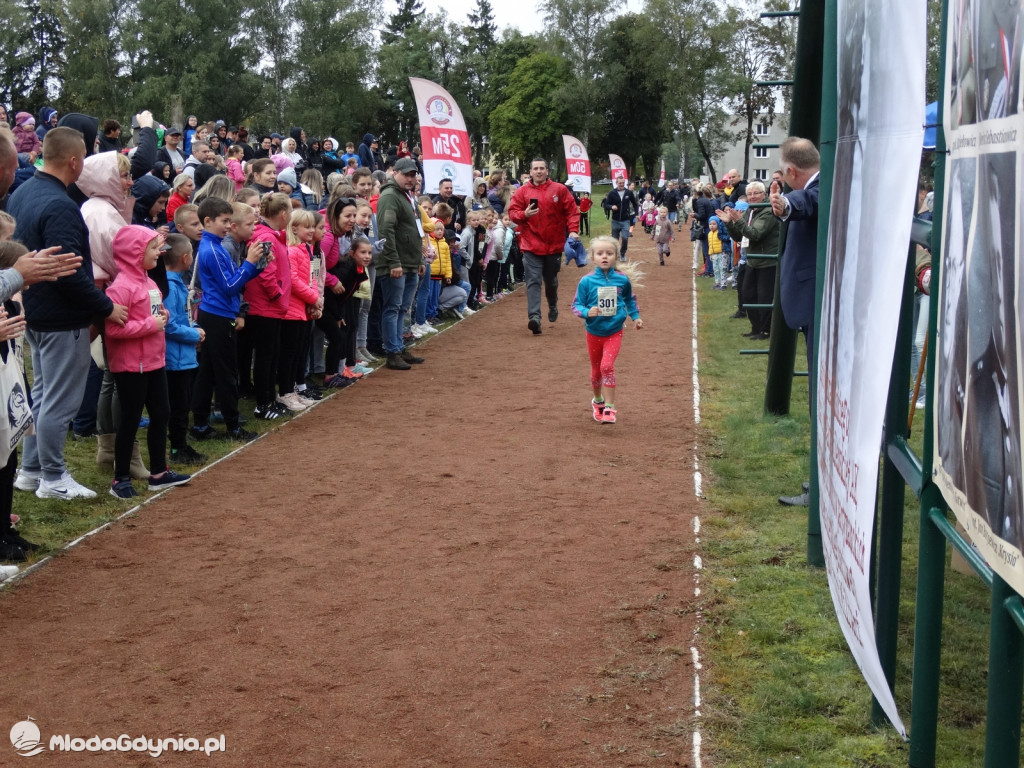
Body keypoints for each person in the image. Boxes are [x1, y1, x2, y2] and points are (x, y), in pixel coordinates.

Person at [8, 127, 129, 500]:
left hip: (35, 310)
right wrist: (107, 308)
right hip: (61, 316)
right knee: (59, 402)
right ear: (74, 161)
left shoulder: (23, 192)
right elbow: (70, 273)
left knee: (44, 396)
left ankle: (30, 471)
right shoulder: (60, 204)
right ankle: (53, 477)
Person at [103, 226, 192, 498]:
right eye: (153, 248)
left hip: (155, 361)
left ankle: (159, 472)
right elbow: (113, 331)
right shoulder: (120, 288)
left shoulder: (150, 282)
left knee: (161, 413)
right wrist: (149, 324)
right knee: (129, 420)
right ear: (134, 253)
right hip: (131, 366)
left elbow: (155, 313)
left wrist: (161, 315)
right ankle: (120, 479)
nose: (159, 253)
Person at [770, 137, 820, 507]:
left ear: (791, 171)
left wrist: (785, 203)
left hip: (818, 305)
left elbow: (806, 203)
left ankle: (822, 486)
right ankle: (821, 481)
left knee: (823, 395)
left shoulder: (817, 188)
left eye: (785, 176)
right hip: (813, 304)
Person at [190, 197, 263, 441]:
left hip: (217, 313)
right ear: (208, 221)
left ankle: (200, 424)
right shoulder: (212, 249)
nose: (227, 226)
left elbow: (232, 279)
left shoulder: (216, 246)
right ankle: (233, 426)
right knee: (226, 373)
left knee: (208, 372)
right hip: (218, 315)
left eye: (230, 221)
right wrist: (250, 264)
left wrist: (256, 267)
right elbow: (231, 286)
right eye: (224, 221)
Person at [571, 235, 643, 425]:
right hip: (594, 332)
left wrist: (636, 317)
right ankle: (598, 401)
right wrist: (588, 312)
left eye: (609, 253)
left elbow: (629, 299)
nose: (605, 257)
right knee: (596, 371)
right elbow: (576, 305)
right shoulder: (586, 282)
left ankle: (610, 407)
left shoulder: (621, 280)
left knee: (606, 367)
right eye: (600, 253)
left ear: (616, 257)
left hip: (614, 331)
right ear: (592, 257)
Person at [507, 158, 580, 335]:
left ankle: (553, 303)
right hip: (530, 243)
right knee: (532, 280)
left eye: (542, 168)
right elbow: (512, 213)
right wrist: (523, 214)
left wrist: (572, 231)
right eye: (535, 168)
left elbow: (571, 211)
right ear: (530, 172)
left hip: (553, 244)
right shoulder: (522, 192)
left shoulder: (560, 190)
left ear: (547, 171)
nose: (538, 171)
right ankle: (535, 318)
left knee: (551, 281)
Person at [374, 156, 426, 370]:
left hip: (410, 261)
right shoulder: (389, 196)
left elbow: (415, 230)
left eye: (413, 175)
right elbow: (386, 231)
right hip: (397, 263)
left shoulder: (407, 196)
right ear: (394, 173)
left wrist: (419, 259)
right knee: (393, 307)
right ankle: (392, 351)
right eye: (406, 174)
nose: (410, 178)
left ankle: (399, 346)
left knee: (402, 308)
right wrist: (393, 261)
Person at [162, 234, 206, 466]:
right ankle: (178, 448)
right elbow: (169, 324)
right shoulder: (170, 286)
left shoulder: (177, 283)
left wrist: (196, 328)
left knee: (183, 404)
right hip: (175, 357)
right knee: (178, 406)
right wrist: (192, 334)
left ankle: (182, 443)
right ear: (186, 258)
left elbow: (184, 317)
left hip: (183, 354)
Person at [718, 181, 779, 341]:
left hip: (767, 261)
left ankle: (766, 331)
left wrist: (738, 221)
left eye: (756, 193)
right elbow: (739, 236)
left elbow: (755, 234)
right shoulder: (751, 211)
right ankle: (756, 328)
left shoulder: (768, 211)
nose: (752, 197)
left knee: (764, 297)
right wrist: (729, 223)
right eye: (750, 194)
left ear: (763, 194)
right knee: (748, 293)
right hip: (753, 260)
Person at [602, 176, 639, 260]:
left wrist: (636, 214)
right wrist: (612, 206)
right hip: (615, 220)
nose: (621, 184)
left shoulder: (629, 193)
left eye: (623, 183)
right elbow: (606, 205)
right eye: (620, 183)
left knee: (625, 238)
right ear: (616, 183)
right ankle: (615, 254)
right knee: (615, 240)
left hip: (626, 220)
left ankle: (622, 253)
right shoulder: (612, 193)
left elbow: (635, 204)